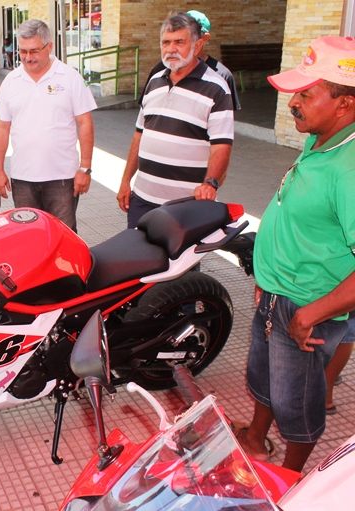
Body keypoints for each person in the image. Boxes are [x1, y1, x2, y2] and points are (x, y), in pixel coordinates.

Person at [235, 35, 355, 472]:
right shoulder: (322, 139)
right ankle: (255, 439)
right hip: (278, 295)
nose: (292, 103)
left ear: (344, 104)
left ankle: (289, 477)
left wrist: (310, 315)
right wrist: (267, 280)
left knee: (297, 402)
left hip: (308, 307)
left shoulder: (349, 169)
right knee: (264, 378)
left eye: (306, 94)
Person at [117, 11, 234, 229]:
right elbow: (139, 135)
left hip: (185, 206)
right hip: (142, 200)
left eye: (179, 42)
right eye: (166, 42)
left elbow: (222, 147)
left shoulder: (217, 88)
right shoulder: (154, 81)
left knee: (183, 255)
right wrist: (125, 181)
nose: (171, 49)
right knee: (136, 251)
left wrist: (210, 183)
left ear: (197, 46)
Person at [0, 19, 96, 232]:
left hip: (62, 178)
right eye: (23, 51)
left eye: (34, 51)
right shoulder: (11, 81)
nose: (28, 58)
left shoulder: (70, 77)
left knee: (63, 236)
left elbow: (85, 123)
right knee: (29, 236)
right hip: (23, 179)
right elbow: (1, 127)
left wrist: (85, 168)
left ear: (49, 46)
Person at [139, 10, 241, 111]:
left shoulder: (222, 76)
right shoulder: (159, 72)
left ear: (204, 39)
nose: (172, 49)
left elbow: (226, 115)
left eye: (180, 41)